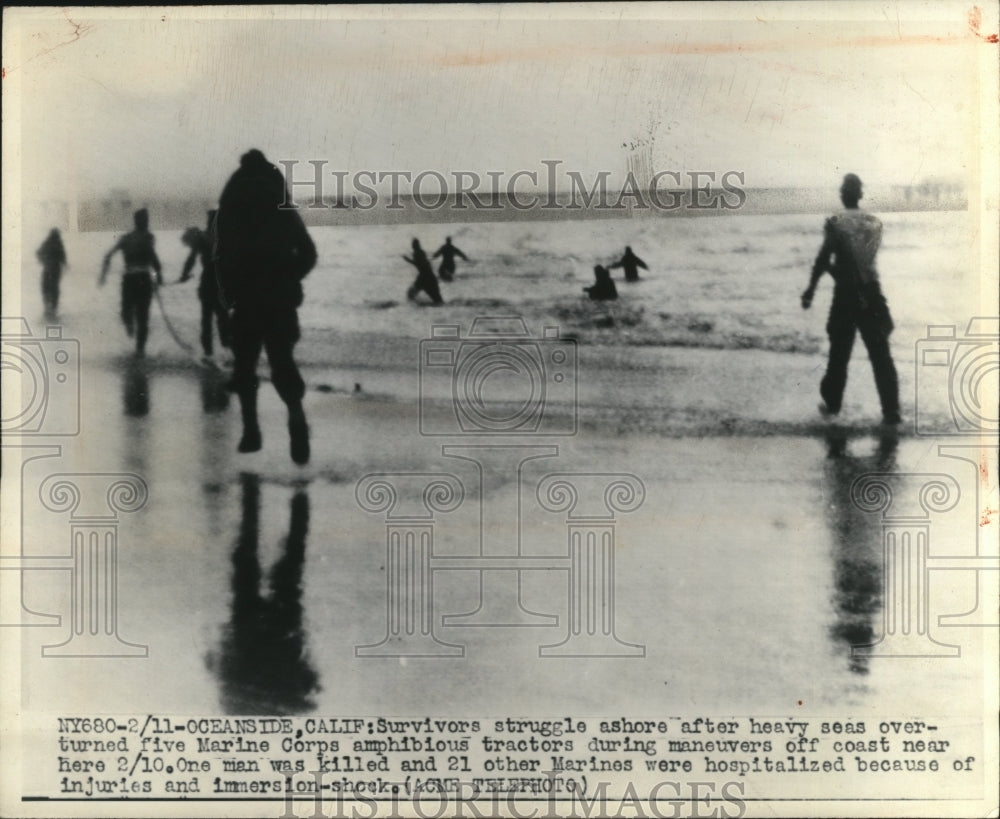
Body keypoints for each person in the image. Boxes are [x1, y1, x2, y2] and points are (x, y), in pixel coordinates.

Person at [215, 149, 317, 465]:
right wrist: (289, 277)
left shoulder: (232, 209)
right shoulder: (283, 209)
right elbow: (309, 254)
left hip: (246, 303)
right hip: (279, 301)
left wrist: (226, 301)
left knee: (245, 368)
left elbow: (221, 262)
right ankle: (296, 416)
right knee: (282, 362)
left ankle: (251, 432)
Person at [801, 173, 901, 425]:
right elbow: (864, 262)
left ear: (843, 194)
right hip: (872, 294)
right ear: (861, 194)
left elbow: (825, 258)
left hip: (846, 296)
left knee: (839, 356)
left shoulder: (835, 222)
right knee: (881, 356)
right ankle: (891, 412)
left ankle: (833, 409)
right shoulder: (874, 223)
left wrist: (811, 289)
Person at [99, 208, 163, 356]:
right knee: (140, 315)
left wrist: (103, 275)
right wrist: (159, 274)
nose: (146, 222)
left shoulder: (128, 238)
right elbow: (153, 257)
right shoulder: (143, 237)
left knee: (134, 314)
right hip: (140, 280)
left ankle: (139, 347)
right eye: (145, 220)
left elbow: (108, 256)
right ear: (140, 221)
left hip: (132, 280)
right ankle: (139, 347)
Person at [179, 210, 231, 358]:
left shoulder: (202, 237)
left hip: (208, 279)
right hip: (222, 280)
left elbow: (191, 258)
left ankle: (208, 353)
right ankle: (227, 351)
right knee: (223, 317)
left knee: (206, 318)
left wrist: (184, 275)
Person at [37, 228, 67, 319]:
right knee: (53, 289)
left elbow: (38, 253)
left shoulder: (47, 242)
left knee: (46, 288)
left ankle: (47, 309)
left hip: (47, 269)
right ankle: (53, 309)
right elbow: (63, 257)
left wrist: (44, 261)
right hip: (55, 270)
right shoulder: (58, 244)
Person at [404, 239, 443, 304]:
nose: (413, 246)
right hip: (426, 276)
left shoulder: (417, 253)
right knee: (437, 299)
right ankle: (415, 306)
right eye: (413, 244)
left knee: (411, 294)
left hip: (425, 277)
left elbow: (420, 263)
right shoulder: (420, 252)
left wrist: (408, 260)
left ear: (415, 246)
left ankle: (411, 307)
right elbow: (424, 264)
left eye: (414, 245)